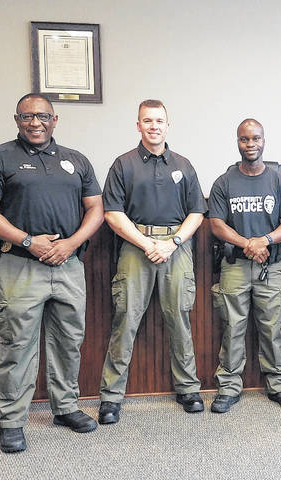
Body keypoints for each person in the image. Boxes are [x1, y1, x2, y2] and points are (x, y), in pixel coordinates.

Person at [0, 93, 104, 453]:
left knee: (69, 341)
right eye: (27, 117)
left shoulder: (75, 160)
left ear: (55, 120)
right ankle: (12, 421)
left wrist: (70, 244)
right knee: (17, 345)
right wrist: (30, 241)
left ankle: (66, 408)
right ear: (17, 120)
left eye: (42, 117)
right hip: (19, 265)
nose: (35, 123)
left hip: (68, 264)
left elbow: (96, 209)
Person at [98, 99, 206, 423]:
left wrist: (171, 243)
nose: (154, 126)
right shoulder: (123, 164)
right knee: (125, 319)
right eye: (148, 121)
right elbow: (113, 214)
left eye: (159, 120)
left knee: (180, 319)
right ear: (138, 125)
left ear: (167, 125)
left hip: (176, 246)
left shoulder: (184, 165)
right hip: (135, 246)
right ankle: (111, 398)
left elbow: (197, 212)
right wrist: (147, 243)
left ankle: (188, 389)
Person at [208, 118, 281, 413]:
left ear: (264, 140)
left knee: (272, 327)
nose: (251, 144)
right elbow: (216, 224)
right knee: (232, 327)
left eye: (256, 139)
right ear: (237, 142)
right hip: (235, 265)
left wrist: (265, 240)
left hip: (270, 267)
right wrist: (247, 243)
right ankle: (229, 387)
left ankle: (279, 385)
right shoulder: (224, 182)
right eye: (245, 139)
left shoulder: (278, 180)